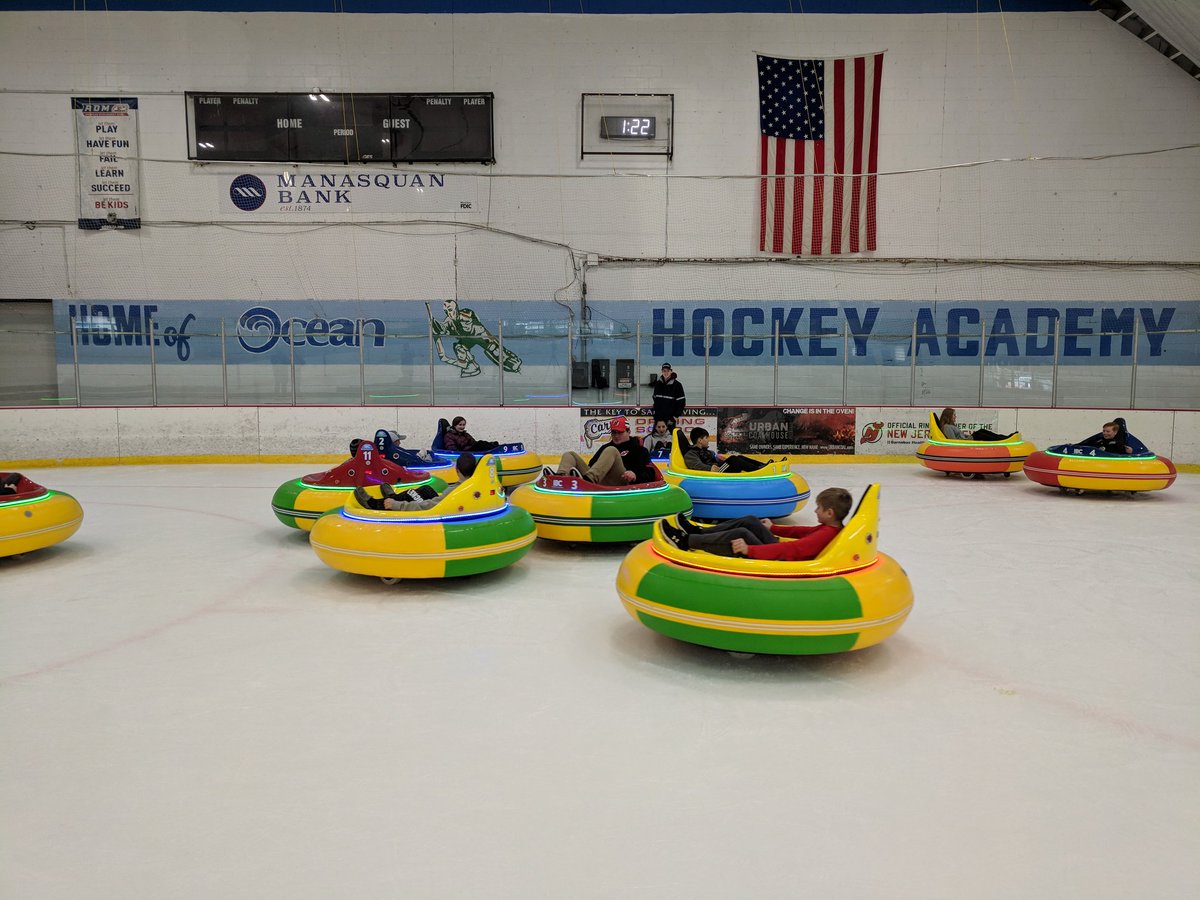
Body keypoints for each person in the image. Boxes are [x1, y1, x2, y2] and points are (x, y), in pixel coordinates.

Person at [660, 487, 852, 561]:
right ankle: (698, 530)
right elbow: (804, 531)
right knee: (751, 520)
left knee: (741, 534)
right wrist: (773, 528)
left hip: (781, 562)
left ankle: (687, 541)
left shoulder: (825, 534)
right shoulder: (829, 528)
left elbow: (791, 550)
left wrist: (749, 550)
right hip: (780, 551)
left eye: (819, 508)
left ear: (829, 512)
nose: (815, 511)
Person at [546, 416, 658, 486]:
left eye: (620, 432)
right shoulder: (605, 447)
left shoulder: (639, 449)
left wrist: (635, 475)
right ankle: (560, 478)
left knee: (612, 450)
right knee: (570, 454)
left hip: (622, 481)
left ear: (628, 431)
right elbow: (592, 465)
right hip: (599, 480)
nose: (616, 435)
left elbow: (650, 472)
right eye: (614, 432)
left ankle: (588, 482)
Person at [354, 452, 478, 511]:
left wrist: (397, 505)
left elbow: (429, 506)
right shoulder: (473, 484)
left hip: (439, 510)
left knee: (412, 494)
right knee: (426, 489)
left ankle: (375, 504)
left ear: (457, 470)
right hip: (450, 503)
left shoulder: (454, 491)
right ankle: (392, 496)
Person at [682, 427, 768, 473]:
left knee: (739, 457)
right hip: (716, 472)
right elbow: (696, 465)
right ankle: (758, 471)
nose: (708, 440)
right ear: (700, 440)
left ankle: (763, 466)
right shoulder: (691, 453)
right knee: (733, 459)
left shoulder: (707, 451)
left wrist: (719, 459)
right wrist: (709, 468)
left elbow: (715, 460)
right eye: (706, 438)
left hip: (719, 468)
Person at [937, 408, 1013, 442]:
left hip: (968, 439)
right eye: (954, 415)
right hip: (967, 441)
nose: (955, 417)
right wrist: (967, 438)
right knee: (982, 434)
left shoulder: (951, 426)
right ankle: (1004, 439)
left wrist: (966, 436)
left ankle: (1005, 437)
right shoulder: (947, 427)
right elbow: (953, 441)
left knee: (982, 431)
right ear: (948, 416)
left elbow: (959, 436)